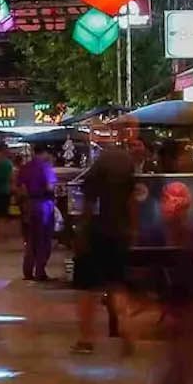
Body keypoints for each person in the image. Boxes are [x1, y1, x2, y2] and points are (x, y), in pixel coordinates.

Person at [74, 142, 137, 354]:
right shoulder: (128, 179)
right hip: (119, 234)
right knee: (117, 285)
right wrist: (132, 231)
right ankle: (126, 329)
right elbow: (132, 206)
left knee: (88, 289)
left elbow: (88, 208)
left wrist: (81, 233)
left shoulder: (94, 179)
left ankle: (86, 339)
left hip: (95, 235)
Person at [16, 146, 58, 281]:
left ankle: (27, 271)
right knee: (43, 239)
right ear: (45, 153)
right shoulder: (46, 167)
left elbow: (19, 187)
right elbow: (50, 187)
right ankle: (40, 271)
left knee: (30, 239)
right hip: (44, 205)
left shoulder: (25, 167)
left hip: (29, 206)